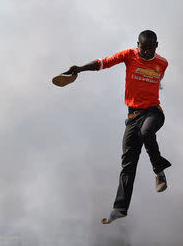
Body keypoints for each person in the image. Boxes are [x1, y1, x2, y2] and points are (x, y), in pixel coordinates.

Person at [64, 30, 171, 224]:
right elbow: (102, 63)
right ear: (136, 45)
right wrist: (79, 69)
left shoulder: (162, 63)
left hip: (154, 112)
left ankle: (159, 172)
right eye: (142, 48)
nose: (146, 52)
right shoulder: (128, 55)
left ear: (156, 45)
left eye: (150, 48)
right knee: (128, 163)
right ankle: (120, 208)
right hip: (132, 116)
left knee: (146, 132)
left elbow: (158, 80)